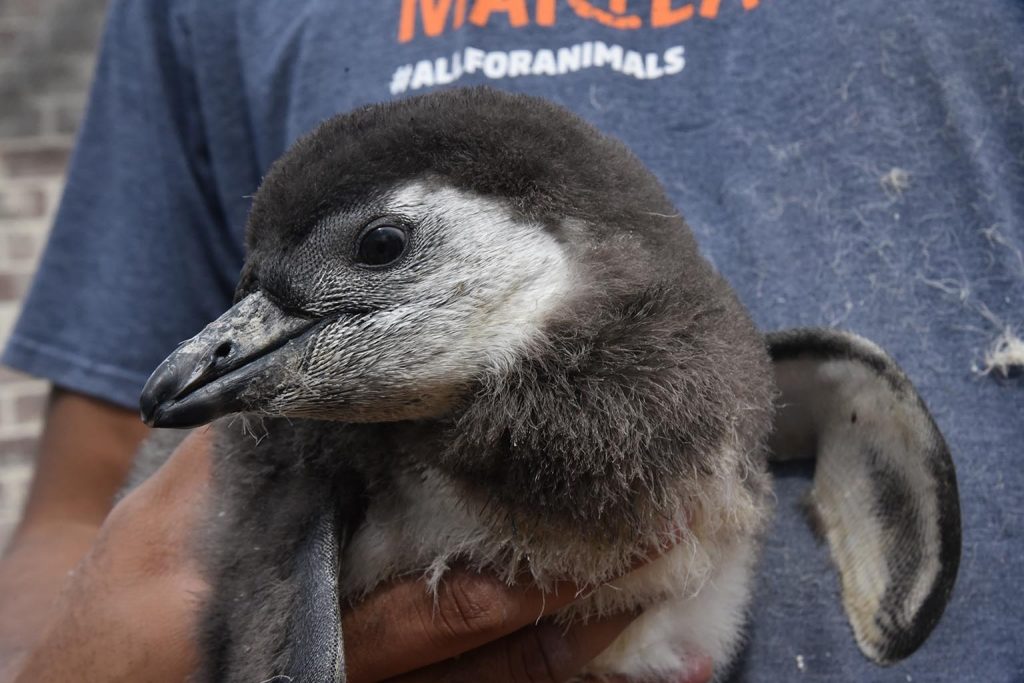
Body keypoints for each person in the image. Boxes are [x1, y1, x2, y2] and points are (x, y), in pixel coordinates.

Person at [1, 0, 1021, 681]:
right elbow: (84, 509)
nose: (220, 353)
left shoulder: (701, 358)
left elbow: (800, 396)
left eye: (386, 245)